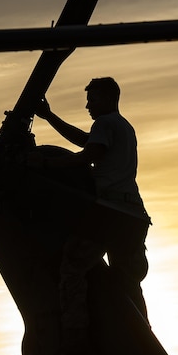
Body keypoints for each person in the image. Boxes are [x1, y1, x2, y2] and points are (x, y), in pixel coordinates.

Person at [31, 77, 151, 333]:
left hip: (111, 214)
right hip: (134, 216)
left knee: (72, 268)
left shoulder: (105, 123)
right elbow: (87, 141)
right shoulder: (123, 127)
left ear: (108, 99)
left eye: (92, 100)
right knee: (128, 284)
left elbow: (88, 155)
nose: (88, 106)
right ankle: (141, 332)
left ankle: (76, 338)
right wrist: (50, 117)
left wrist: (45, 165)